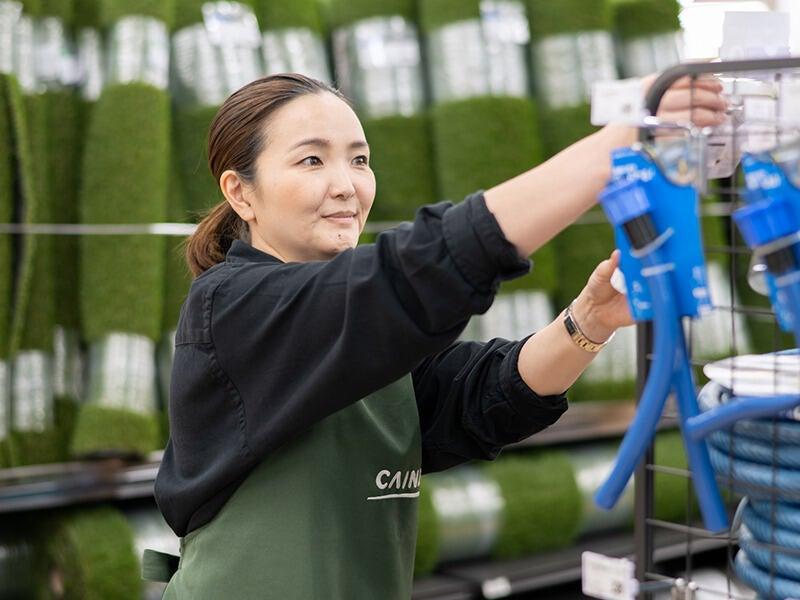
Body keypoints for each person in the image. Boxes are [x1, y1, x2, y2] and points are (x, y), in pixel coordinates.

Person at [148, 72, 727, 598]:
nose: (347, 185)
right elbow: (417, 276)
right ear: (240, 193)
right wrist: (613, 147)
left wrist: (588, 321)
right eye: (311, 162)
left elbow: (481, 396)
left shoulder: (361, 339)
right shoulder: (233, 307)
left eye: (359, 159)